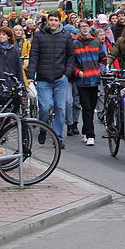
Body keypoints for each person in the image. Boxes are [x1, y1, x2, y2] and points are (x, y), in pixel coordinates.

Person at [28, 11, 75, 147]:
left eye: (56, 20)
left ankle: (58, 138)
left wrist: (67, 73)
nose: (53, 23)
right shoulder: (39, 35)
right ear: (47, 21)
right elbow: (34, 56)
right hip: (43, 78)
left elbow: (70, 56)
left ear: (59, 22)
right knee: (45, 107)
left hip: (60, 78)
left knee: (60, 108)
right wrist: (31, 76)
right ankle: (43, 128)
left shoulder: (65, 36)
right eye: (51, 20)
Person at [72, 20, 107, 146]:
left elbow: (103, 59)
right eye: (82, 27)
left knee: (91, 108)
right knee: (86, 107)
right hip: (82, 81)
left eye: (86, 26)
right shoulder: (75, 44)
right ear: (79, 29)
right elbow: (72, 62)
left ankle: (86, 130)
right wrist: (77, 72)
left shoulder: (96, 42)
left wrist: (100, 70)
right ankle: (91, 135)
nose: (84, 29)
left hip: (94, 79)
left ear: (89, 28)